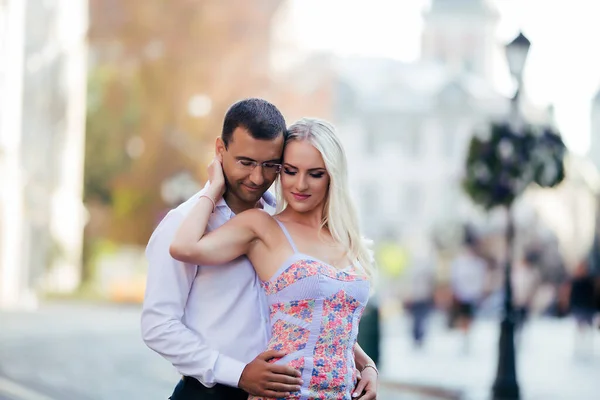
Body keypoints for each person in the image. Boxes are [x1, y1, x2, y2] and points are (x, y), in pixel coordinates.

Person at [169, 117, 378, 399]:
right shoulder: (262, 226)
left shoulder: (346, 237)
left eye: (315, 174)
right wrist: (213, 187)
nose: (300, 184)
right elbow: (183, 247)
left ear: (333, 175)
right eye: (290, 171)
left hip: (343, 393)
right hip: (286, 392)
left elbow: (332, 320)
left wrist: (368, 366)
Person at [141, 99, 302, 400]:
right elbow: (157, 325)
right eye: (246, 162)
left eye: (271, 165)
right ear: (220, 150)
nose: (258, 178)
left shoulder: (282, 223)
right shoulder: (182, 225)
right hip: (209, 393)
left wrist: (364, 365)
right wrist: (238, 374)